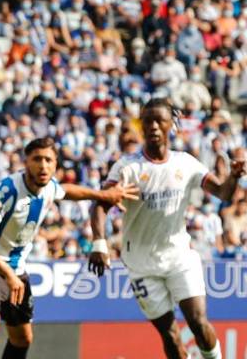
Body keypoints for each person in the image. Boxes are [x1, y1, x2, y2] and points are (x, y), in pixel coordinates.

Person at [89, 99, 247, 359]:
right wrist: (99, 243)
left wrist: (234, 177)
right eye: (146, 121)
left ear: (171, 124)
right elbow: (100, 204)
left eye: (158, 120)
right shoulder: (127, 167)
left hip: (179, 257)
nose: (152, 126)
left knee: (197, 321)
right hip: (141, 265)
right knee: (170, 333)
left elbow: (222, 192)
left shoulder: (185, 163)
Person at [0, 137, 139, 359]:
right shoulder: (8, 191)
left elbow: (67, 191)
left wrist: (103, 194)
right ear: (26, 162)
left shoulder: (50, 187)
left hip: (16, 268)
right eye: (37, 159)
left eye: (49, 160)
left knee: (22, 338)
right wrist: (7, 274)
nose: (43, 166)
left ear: (55, 165)